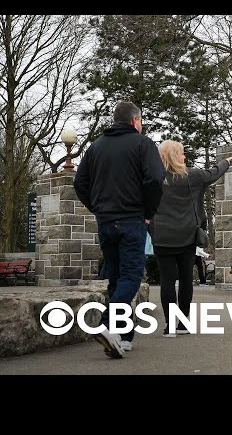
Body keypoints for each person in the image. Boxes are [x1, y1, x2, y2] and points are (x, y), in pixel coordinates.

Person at [74, 101, 165, 358]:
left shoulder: (95, 148)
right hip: (132, 221)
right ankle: (106, 325)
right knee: (130, 278)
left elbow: (80, 183)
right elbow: (156, 179)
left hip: (106, 223)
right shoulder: (143, 144)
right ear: (135, 121)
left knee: (116, 278)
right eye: (142, 120)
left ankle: (124, 338)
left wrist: (98, 208)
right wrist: (148, 213)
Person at [150, 140, 232, 337]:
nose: (184, 157)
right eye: (181, 153)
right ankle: (183, 324)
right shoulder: (193, 176)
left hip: (161, 236)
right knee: (186, 279)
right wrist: (227, 162)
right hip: (187, 236)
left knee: (167, 281)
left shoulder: (153, 179)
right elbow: (214, 173)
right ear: (175, 156)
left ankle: (169, 326)